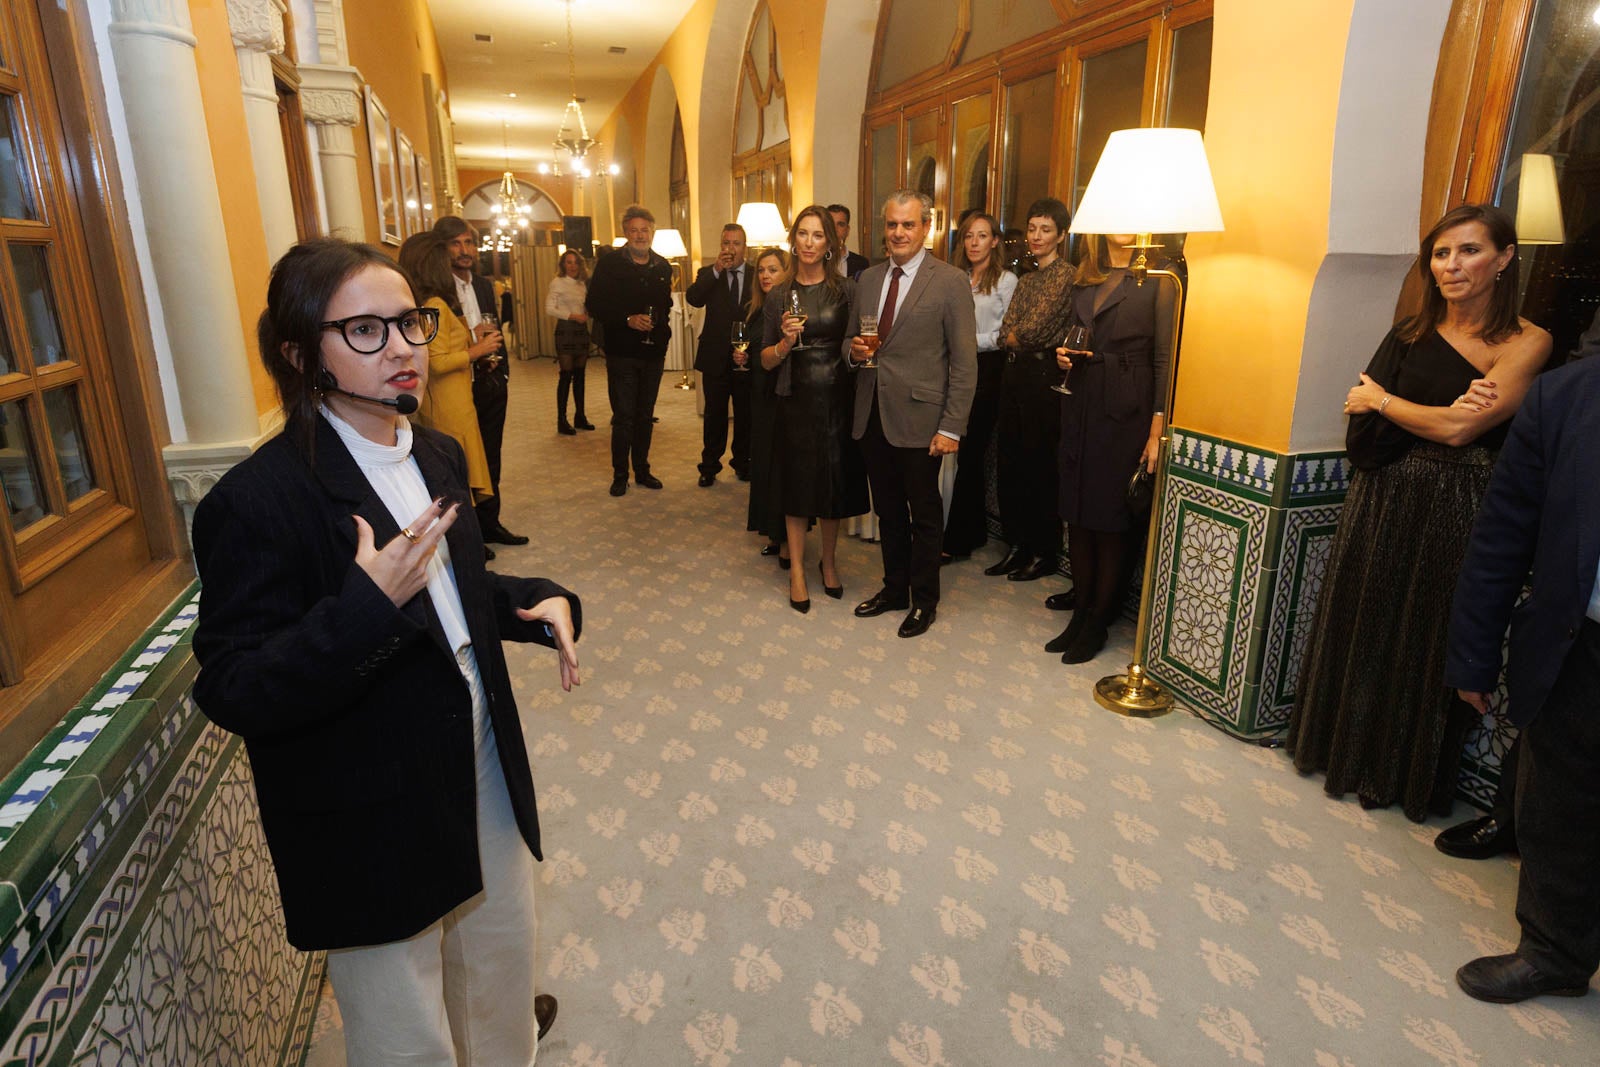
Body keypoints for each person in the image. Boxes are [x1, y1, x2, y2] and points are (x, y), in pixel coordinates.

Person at [191, 237, 579, 1063]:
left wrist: (524, 602)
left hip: (478, 754)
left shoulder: (436, 450)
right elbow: (233, 685)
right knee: (406, 1023)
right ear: (300, 353)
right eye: (365, 330)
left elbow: (452, 589)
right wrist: (364, 608)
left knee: (501, 963)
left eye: (409, 322)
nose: (403, 346)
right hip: (368, 797)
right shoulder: (257, 500)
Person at [1287, 204, 1550, 822]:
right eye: (1441, 253)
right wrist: (1426, 410)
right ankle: (1338, 753)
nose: (1452, 266)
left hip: (1460, 508)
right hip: (1382, 498)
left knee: (1427, 635)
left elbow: (1462, 431)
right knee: (1366, 620)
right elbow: (1363, 425)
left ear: (1505, 258)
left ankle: (1398, 776)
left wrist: (1386, 400)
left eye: (1469, 251)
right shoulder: (1408, 332)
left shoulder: (1526, 341)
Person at [1443, 350, 1600, 1004]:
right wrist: (1474, 654)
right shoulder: (1564, 396)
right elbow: (1503, 533)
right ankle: (1553, 951)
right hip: (1582, 641)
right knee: (1555, 803)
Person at [847, 190, 978, 638]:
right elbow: (850, 342)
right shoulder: (867, 279)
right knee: (887, 511)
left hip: (924, 422)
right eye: (891, 225)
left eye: (908, 225)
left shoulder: (950, 281)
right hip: (872, 415)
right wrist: (854, 352)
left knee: (924, 513)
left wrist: (951, 427)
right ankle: (893, 589)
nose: (899, 233)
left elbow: (964, 363)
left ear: (927, 227)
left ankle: (924, 601)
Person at [1048, 232, 1174, 664]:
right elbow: (1074, 335)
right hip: (1079, 402)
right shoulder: (1086, 277)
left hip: (1127, 409)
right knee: (1078, 514)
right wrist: (1063, 355)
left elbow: (1165, 359)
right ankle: (1080, 611)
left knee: (1111, 518)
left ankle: (1099, 621)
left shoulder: (1160, 276)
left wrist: (1157, 427)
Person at [761, 206, 868, 612]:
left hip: (838, 398)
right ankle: (798, 572)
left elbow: (857, 344)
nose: (808, 242)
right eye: (802, 234)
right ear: (794, 240)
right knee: (797, 485)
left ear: (830, 243)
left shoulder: (847, 291)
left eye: (817, 235)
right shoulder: (778, 294)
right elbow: (765, 360)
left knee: (832, 484)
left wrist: (858, 352)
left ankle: (829, 562)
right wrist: (786, 343)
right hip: (795, 399)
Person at [990, 198, 1076, 583]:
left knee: (1040, 467)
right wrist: (1014, 334)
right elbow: (1007, 327)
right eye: (1032, 228)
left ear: (1061, 234)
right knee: (1011, 465)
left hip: (1043, 380)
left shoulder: (1066, 276)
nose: (1037, 236)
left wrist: (1014, 335)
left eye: (1046, 229)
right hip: (1013, 377)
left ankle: (1044, 552)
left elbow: (1030, 330)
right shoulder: (1025, 279)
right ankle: (1017, 546)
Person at [433, 217, 526, 548]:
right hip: (455, 385)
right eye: (456, 243)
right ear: (442, 249)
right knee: (460, 460)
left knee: (491, 456)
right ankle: (467, 533)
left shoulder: (486, 286)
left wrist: (501, 372)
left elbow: (496, 329)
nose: (464, 250)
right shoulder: (438, 293)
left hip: (488, 380)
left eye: (469, 242)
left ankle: (491, 524)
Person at [398, 233, 497, 522]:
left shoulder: (426, 302)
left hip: (446, 399)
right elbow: (437, 361)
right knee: (455, 475)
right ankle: (465, 537)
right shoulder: (436, 304)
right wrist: (478, 350)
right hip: (450, 402)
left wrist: (469, 336)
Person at [941, 212, 1016, 565]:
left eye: (982, 236)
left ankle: (958, 540)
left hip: (987, 372)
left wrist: (964, 340)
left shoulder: (1006, 281)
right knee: (951, 453)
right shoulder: (955, 278)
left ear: (994, 241)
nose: (974, 242)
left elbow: (1005, 335)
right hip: (953, 370)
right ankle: (960, 529)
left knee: (970, 454)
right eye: (969, 236)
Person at [587, 205, 673, 496]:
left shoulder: (663, 266)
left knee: (645, 415)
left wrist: (662, 330)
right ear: (626, 232)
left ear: (652, 232)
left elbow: (666, 307)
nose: (640, 235)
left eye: (644, 230)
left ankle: (643, 470)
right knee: (624, 416)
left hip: (653, 353)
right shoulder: (610, 264)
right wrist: (627, 319)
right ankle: (620, 475)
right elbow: (594, 305)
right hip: (622, 351)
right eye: (634, 230)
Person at [687, 223, 754, 486]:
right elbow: (694, 298)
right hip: (714, 354)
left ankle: (743, 462)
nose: (730, 249)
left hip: (745, 356)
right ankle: (709, 466)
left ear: (744, 248)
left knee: (745, 413)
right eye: (726, 243)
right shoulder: (708, 273)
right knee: (714, 414)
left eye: (736, 243)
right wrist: (716, 270)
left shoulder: (755, 274)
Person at [745, 247, 791, 561]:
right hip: (759, 397)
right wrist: (743, 356)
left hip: (781, 397)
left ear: (786, 272)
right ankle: (774, 535)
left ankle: (787, 541)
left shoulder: (789, 308)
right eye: (761, 270)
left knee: (781, 471)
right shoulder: (756, 308)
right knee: (763, 467)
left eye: (773, 270)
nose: (765, 276)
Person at [545, 249, 595, 435]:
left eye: (575, 262)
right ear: (563, 265)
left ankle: (580, 416)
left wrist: (587, 313)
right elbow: (549, 309)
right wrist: (573, 316)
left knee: (580, 375)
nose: (572, 266)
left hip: (581, 332)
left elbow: (585, 306)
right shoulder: (557, 282)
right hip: (565, 331)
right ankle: (561, 420)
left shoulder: (582, 284)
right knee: (566, 375)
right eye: (569, 262)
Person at [827, 204, 872, 280]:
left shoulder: (861, 263)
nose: (834, 229)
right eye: (830, 224)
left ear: (847, 230)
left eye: (840, 224)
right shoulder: (817, 260)